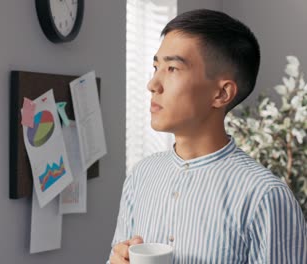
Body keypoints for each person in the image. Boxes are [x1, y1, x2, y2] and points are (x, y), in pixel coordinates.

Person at [108, 9, 306, 264]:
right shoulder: (141, 176)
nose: (153, 84)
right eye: (156, 66)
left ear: (221, 94)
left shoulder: (264, 196)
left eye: (172, 68)